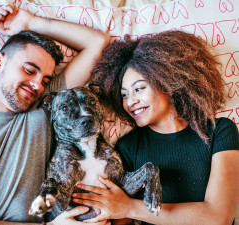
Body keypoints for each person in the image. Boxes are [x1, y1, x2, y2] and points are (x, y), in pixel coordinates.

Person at [0, 6, 110, 225]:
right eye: (29, 70)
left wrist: (30, 23)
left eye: (46, 80)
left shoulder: (45, 107)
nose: (37, 85)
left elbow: (97, 43)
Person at [72, 31, 239, 225]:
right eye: (124, 94)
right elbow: (119, 216)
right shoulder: (127, 146)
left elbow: (219, 217)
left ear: (168, 83)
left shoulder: (220, 130)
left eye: (139, 88)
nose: (130, 101)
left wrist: (129, 207)